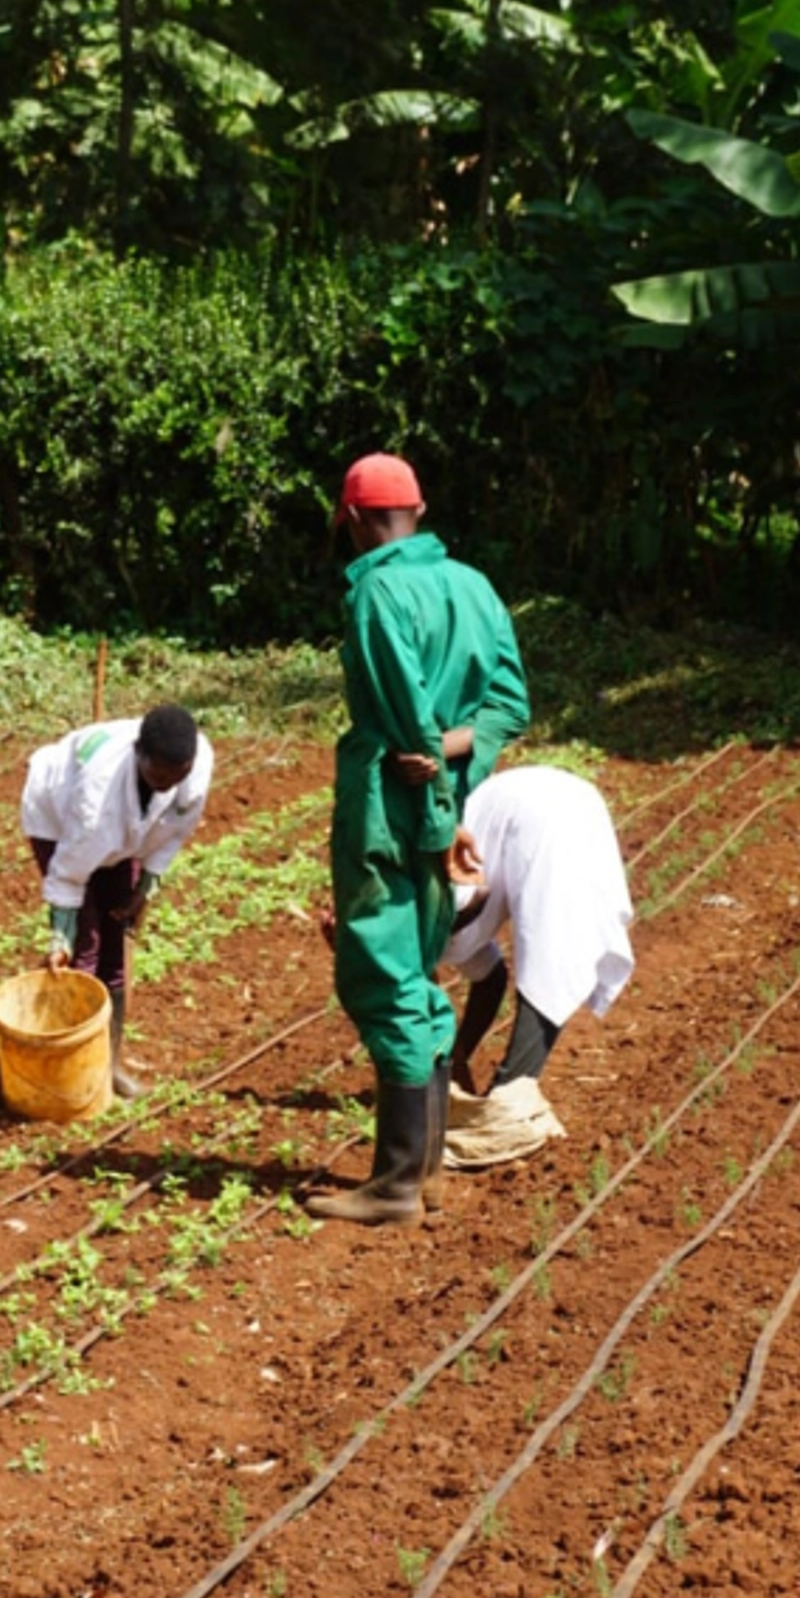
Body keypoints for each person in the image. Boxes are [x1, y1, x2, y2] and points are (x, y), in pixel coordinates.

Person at [308, 451, 529, 1227]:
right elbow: (509, 706)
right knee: (420, 970)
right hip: (449, 804)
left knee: (382, 974)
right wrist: (451, 753)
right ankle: (426, 1171)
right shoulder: (473, 586)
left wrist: (434, 811)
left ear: (354, 519)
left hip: (393, 812)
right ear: (419, 511)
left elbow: (405, 722)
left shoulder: (376, 593)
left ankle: (396, 1183)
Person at [441, 764, 635, 1167]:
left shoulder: (418, 921)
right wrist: (459, 1052)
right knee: (554, 950)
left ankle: (509, 1095)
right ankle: (509, 1092)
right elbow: (492, 979)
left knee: (551, 952)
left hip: (536, 814)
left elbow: (475, 895)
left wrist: (449, 1061)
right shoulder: (432, 936)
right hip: (567, 796)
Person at [21, 704, 212, 1098]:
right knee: (85, 948)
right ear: (137, 754)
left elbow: (174, 831)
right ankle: (75, 1074)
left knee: (116, 938)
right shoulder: (97, 798)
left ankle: (109, 1065)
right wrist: (60, 937)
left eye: (178, 775)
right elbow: (69, 873)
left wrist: (145, 890)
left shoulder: (195, 765)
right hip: (58, 820)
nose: (168, 784)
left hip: (121, 836)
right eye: (159, 775)